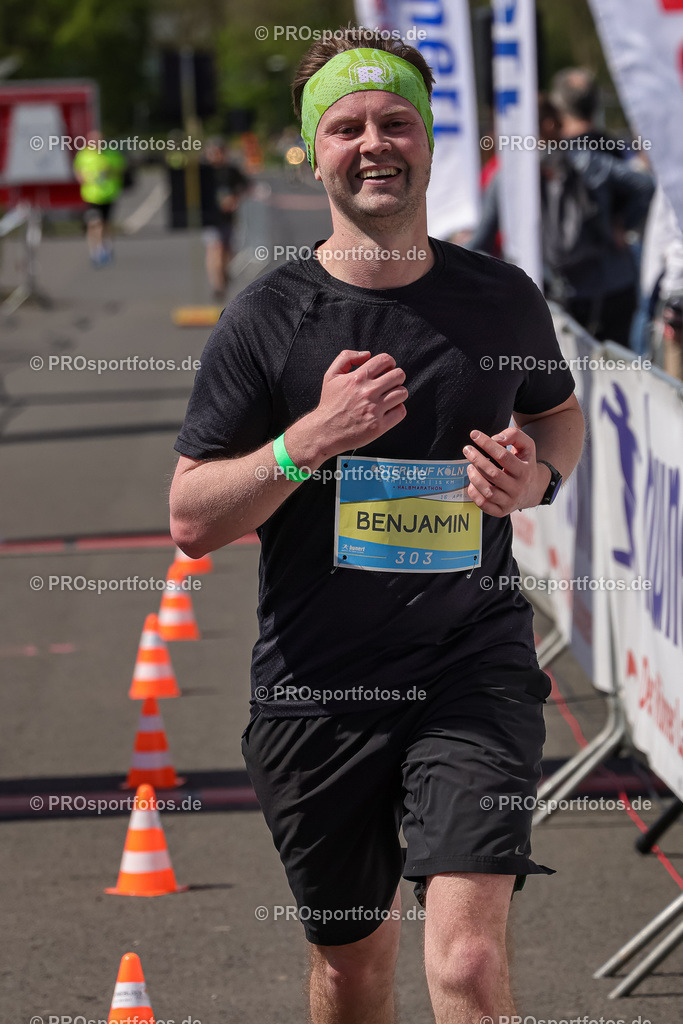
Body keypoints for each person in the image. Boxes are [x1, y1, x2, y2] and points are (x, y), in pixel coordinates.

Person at [170, 28, 585, 1024]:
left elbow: (556, 414)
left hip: (470, 667)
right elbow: (189, 517)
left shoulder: (499, 298)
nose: (372, 144)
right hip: (318, 687)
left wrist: (534, 477)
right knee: (353, 970)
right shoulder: (268, 318)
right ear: (312, 152)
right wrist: (304, 442)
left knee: (467, 963)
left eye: (395, 121)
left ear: (429, 140)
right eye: (346, 126)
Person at [544, 68, 654, 345]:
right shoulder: (611, 147)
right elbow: (644, 187)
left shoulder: (552, 155)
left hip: (566, 282)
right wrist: (624, 225)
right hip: (615, 276)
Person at [202, 139, 250, 302]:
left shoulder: (230, 171)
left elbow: (245, 186)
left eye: (219, 153)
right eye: (213, 153)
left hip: (228, 218)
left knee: (227, 250)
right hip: (210, 218)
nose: (216, 156)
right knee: (215, 248)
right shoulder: (205, 171)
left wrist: (235, 199)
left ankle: (223, 273)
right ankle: (217, 285)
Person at [73, 130, 125, 266]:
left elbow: (120, 170)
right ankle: (95, 251)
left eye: (99, 141)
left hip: (108, 195)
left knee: (106, 224)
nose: (97, 143)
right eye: (94, 141)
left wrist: (109, 171)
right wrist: (85, 177)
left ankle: (107, 247)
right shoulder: (84, 155)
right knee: (94, 223)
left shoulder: (111, 154)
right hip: (91, 196)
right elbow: (78, 172)